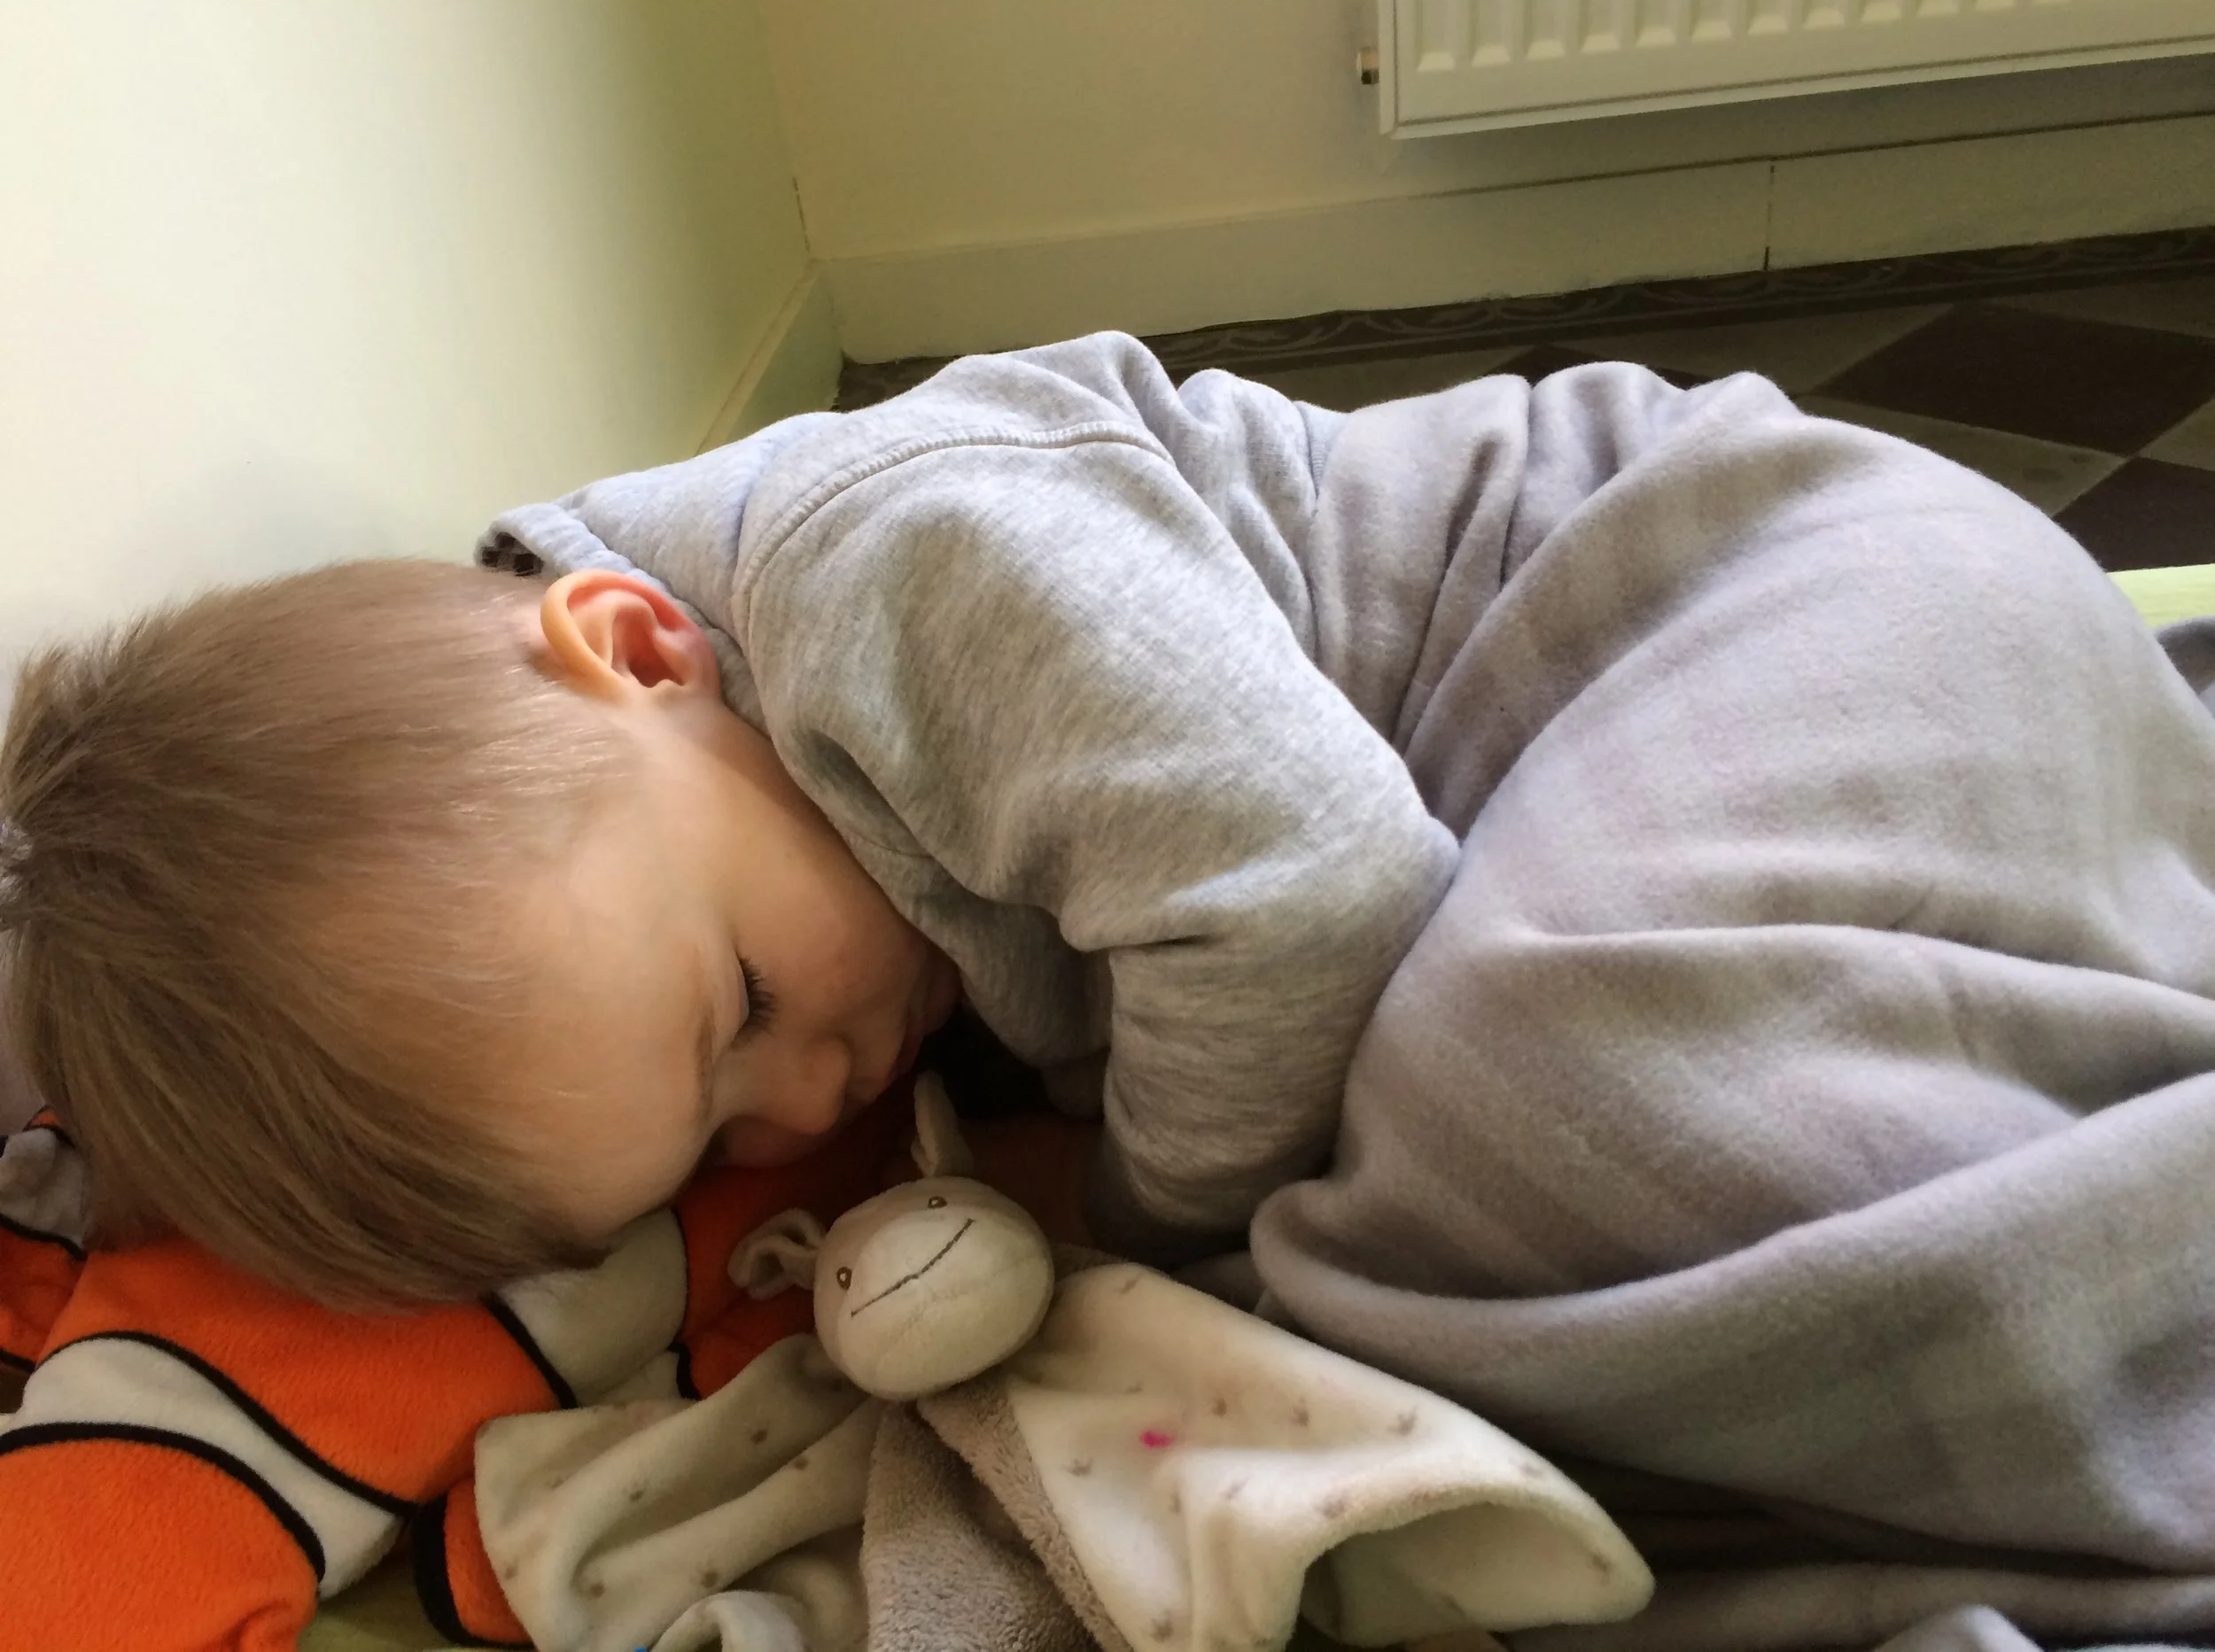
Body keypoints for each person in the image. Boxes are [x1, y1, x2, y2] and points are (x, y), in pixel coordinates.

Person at [11, 330, 2215, 1649]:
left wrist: (1141, 1226)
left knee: (1530, 1107)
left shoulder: (894, 556)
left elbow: (1310, 894)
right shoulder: (654, 817)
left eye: (741, 1003)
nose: (813, 1092)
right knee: (1501, 1194)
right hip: (1649, 790)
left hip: (1758, 595)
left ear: (635, 647)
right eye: (720, 1137)